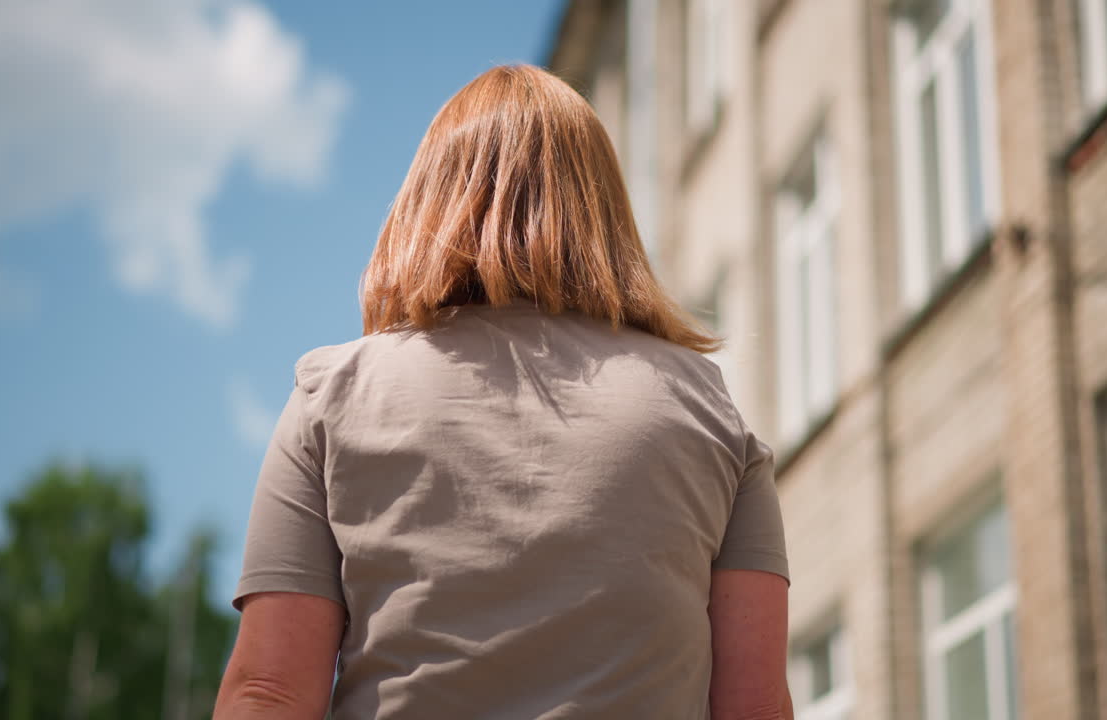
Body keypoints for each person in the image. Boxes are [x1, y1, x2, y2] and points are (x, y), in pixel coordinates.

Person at [213, 62, 792, 720]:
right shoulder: (705, 410)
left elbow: (270, 692)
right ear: (604, 211)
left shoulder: (334, 396)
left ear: (429, 200)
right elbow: (754, 707)